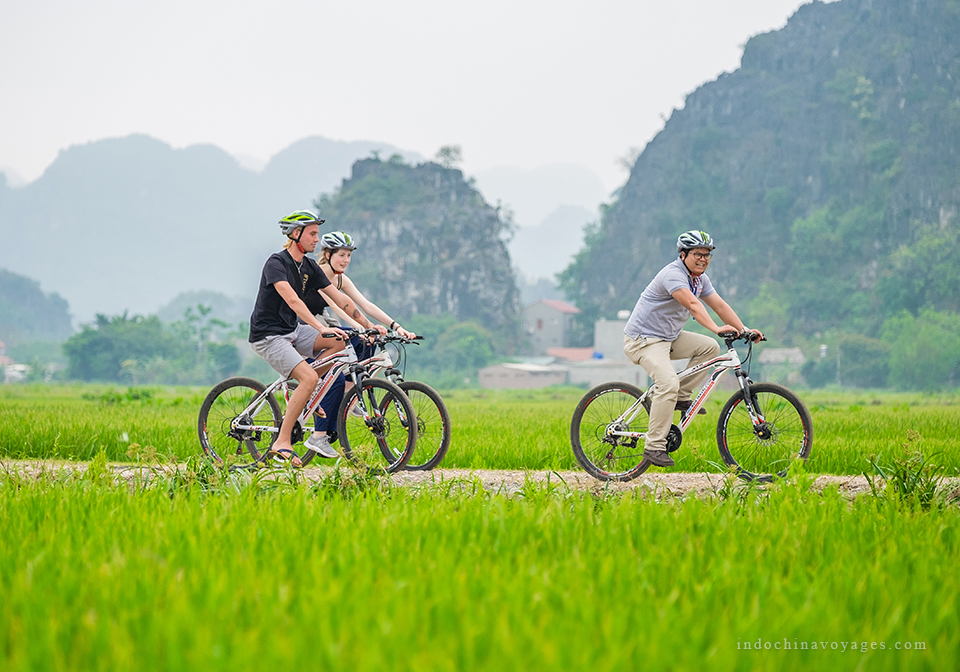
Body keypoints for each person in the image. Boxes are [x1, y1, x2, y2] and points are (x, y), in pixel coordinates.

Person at [247, 210, 384, 467]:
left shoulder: (308, 266)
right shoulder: (276, 263)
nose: (316, 240)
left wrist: (368, 325)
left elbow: (341, 299)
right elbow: (293, 301)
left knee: (340, 342)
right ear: (295, 234)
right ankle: (282, 442)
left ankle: (309, 394)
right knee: (310, 376)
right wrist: (320, 328)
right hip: (269, 335)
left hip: (293, 330)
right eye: (312, 234)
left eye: (317, 234)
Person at [622, 230, 763, 468]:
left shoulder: (700, 279)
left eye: (707, 255)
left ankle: (679, 397)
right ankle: (654, 446)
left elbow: (718, 304)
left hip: (668, 338)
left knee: (709, 347)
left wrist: (744, 328)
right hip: (643, 340)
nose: (703, 259)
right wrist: (717, 328)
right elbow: (692, 304)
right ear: (683, 254)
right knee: (667, 383)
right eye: (698, 254)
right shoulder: (673, 275)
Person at [300, 230, 415, 457]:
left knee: (365, 344)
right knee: (354, 346)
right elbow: (339, 306)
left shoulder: (341, 278)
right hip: (305, 327)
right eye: (341, 255)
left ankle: (350, 395)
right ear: (328, 254)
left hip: (322, 325)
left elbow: (365, 304)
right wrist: (363, 328)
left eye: (349, 256)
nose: (346, 260)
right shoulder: (318, 274)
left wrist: (396, 326)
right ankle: (333, 413)